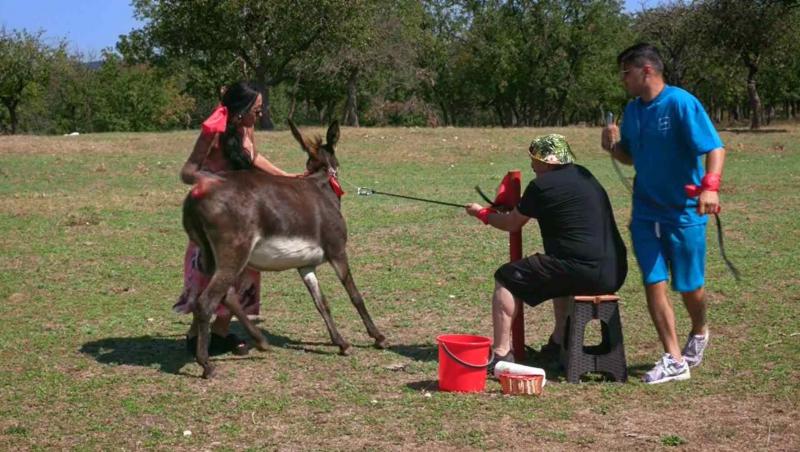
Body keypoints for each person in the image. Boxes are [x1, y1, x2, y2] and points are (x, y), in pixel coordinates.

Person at [601, 43, 726, 384]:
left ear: (647, 71)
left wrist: (710, 186)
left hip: (684, 211)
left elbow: (714, 146)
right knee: (654, 281)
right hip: (645, 212)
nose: (622, 80)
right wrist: (613, 145)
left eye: (626, 73)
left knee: (689, 286)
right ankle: (673, 358)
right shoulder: (633, 110)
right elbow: (631, 157)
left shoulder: (680, 102)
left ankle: (699, 331)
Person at [465, 134, 628, 372]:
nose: (532, 164)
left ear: (549, 162)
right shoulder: (585, 175)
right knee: (556, 273)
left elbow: (512, 223)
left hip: (581, 269)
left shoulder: (541, 186)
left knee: (506, 278)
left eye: (535, 159)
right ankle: (557, 342)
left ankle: (501, 353)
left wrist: (482, 214)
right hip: (614, 270)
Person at [174, 81, 301, 355]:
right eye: (256, 109)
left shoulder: (246, 128)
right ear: (241, 109)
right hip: (214, 214)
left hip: (242, 215)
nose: (260, 112)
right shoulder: (214, 131)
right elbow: (187, 171)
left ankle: (219, 335)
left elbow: (253, 156)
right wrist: (214, 182)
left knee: (243, 274)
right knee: (213, 275)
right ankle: (196, 337)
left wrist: (288, 177)